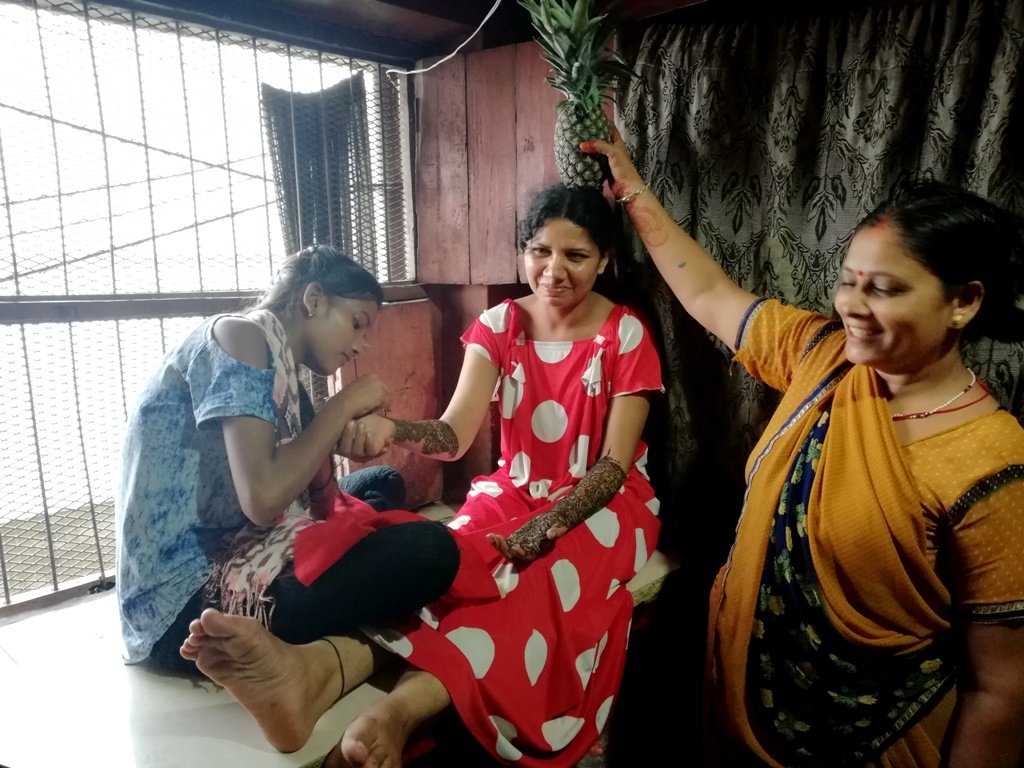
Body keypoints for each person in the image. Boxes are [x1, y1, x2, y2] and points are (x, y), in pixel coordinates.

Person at [180, 183, 665, 767]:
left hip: (604, 504)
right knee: (451, 570)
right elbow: (453, 434)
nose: (553, 270)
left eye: (576, 256)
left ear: (605, 260)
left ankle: (396, 711)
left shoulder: (625, 333)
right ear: (523, 251)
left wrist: (549, 525)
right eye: (540, 251)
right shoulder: (498, 325)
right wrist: (395, 429)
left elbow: (613, 466)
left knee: (534, 576)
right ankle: (318, 673)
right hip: (512, 490)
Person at [583, 132, 1024, 767]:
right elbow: (708, 294)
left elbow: (1001, 689)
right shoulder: (823, 356)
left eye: (885, 289)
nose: (851, 306)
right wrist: (634, 193)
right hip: (735, 705)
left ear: (965, 302)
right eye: (848, 282)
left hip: (866, 740)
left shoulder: (994, 464)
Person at [116, 244, 461, 688]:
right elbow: (262, 499)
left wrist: (347, 437)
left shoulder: (280, 365)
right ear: (313, 299)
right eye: (357, 323)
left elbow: (318, 496)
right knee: (432, 549)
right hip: (186, 603)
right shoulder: (240, 339)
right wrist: (343, 405)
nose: (361, 345)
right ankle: (293, 651)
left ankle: (324, 617)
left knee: (382, 481)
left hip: (235, 540)